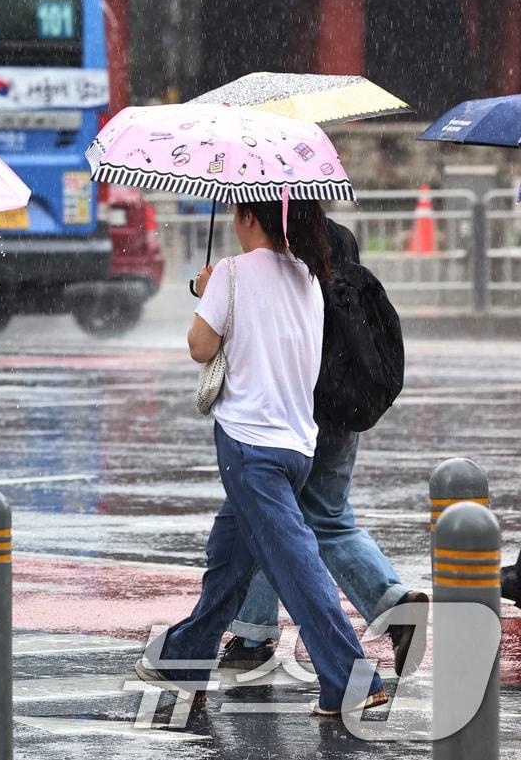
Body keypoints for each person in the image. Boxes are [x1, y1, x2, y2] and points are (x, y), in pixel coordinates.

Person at [136, 199, 387, 717]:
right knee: (229, 559)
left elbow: (200, 347)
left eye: (235, 212)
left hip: (249, 446)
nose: (232, 219)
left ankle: (352, 679)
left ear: (250, 219)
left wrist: (207, 294)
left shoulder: (230, 272)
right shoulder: (308, 278)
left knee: (296, 568)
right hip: (297, 446)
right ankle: (186, 655)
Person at [218, 217, 428, 676]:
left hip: (289, 415)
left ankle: (253, 635)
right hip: (341, 410)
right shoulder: (338, 237)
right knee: (330, 520)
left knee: (262, 517)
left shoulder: (277, 246)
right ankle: (392, 603)